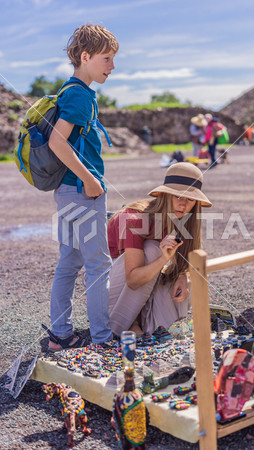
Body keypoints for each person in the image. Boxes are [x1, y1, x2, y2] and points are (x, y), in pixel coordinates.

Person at [45, 24, 119, 351]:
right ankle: (103, 340)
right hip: (81, 190)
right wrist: (90, 180)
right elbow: (57, 141)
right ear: (85, 57)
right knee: (99, 265)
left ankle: (61, 335)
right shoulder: (78, 93)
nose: (112, 66)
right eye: (106, 58)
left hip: (67, 190)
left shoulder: (76, 91)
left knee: (70, 262)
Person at [107, 162, 212, 337]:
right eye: (178, 196)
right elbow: (132, 280)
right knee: (153, 249)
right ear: (165, 194)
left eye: (190, 199)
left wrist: (183, 276)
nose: (183, 204)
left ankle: (148, 327)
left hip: (144, 285)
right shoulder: (135, 218)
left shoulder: (184, 221)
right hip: (113, 288)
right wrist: (163, 258)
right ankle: (120, 325)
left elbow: (188, 264)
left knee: (193, 276)